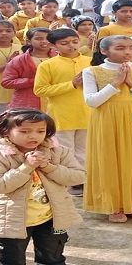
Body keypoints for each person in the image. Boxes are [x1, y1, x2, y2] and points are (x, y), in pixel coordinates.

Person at [0, 110, 85, 265]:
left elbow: (78, 176)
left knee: (53, 261)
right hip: (11, 221)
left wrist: (49, 167)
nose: (33, 136)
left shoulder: (57, 152)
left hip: (50, 219)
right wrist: (26, 167)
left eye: (40, 131)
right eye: (24, 131)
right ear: (5, 131)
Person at [82, 35, 132, 222]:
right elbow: (91, 101)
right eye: (120, 48)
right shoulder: (92, 71)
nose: (127, 52)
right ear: (104, 51)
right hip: (106, 120)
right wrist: (116, 82)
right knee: (110, 160)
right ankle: (114, 206)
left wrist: (131, 83)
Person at [33, 28, 92, 196]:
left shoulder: (91, 61)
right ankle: (68, 181)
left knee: (85, 150)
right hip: (61, 114)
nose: (71, 46)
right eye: (64, 43)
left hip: (88, 113)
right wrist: (71, 84)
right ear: (53, 45)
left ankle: (81, 181)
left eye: (74, 42)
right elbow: (40, 90)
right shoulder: (48, 65)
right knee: (65, 150)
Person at [3, 27, 54, 110]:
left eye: (48, 39)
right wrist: (33, 81)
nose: (45, 41)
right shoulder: (19, 60)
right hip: (28, 101)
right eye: (39, 39)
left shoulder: (59, 57)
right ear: (29, 41)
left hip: (54, 100)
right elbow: (7, 82)